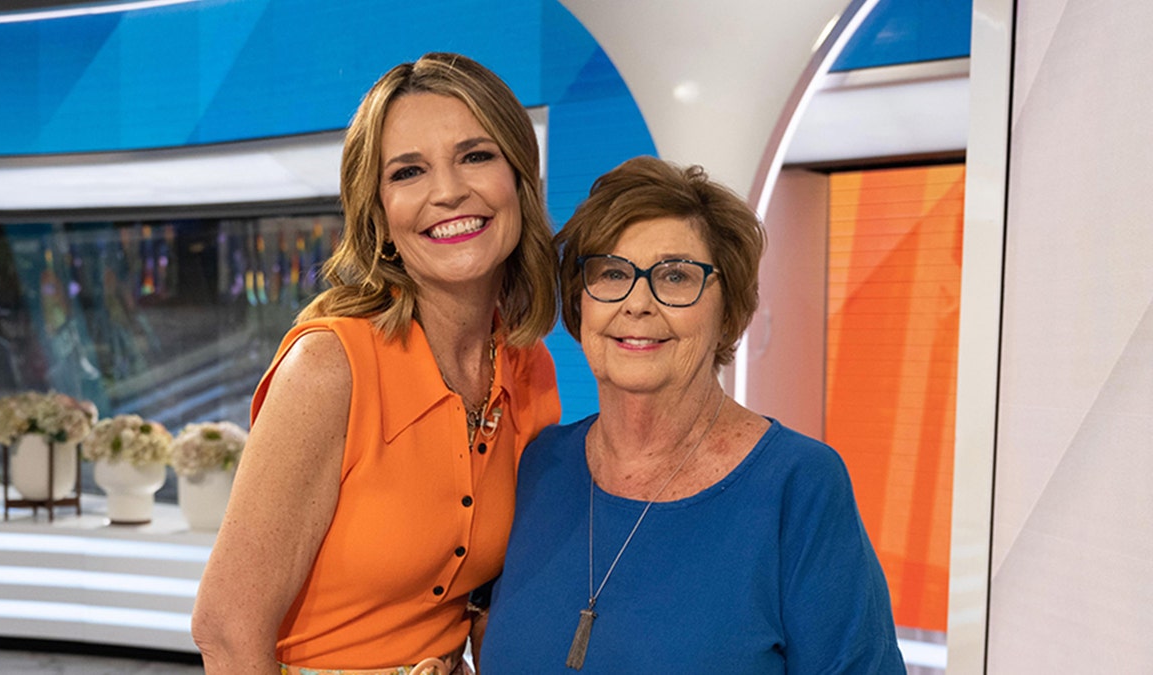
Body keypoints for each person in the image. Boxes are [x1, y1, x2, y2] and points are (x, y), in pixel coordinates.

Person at [191, 52, 561, 675]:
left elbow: (485, 597)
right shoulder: (328, 367)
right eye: (409, 172)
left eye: (476, 155)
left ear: (520, 180)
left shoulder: (531, 367)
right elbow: (227, 631)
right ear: (381, 216)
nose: (448, 191)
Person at [479, 156, 906, 673]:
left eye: (676, 276)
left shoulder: (800, 487)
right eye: (612, 273)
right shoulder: (539, 465)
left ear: (727, 311)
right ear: (579, 302)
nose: (637, 303)